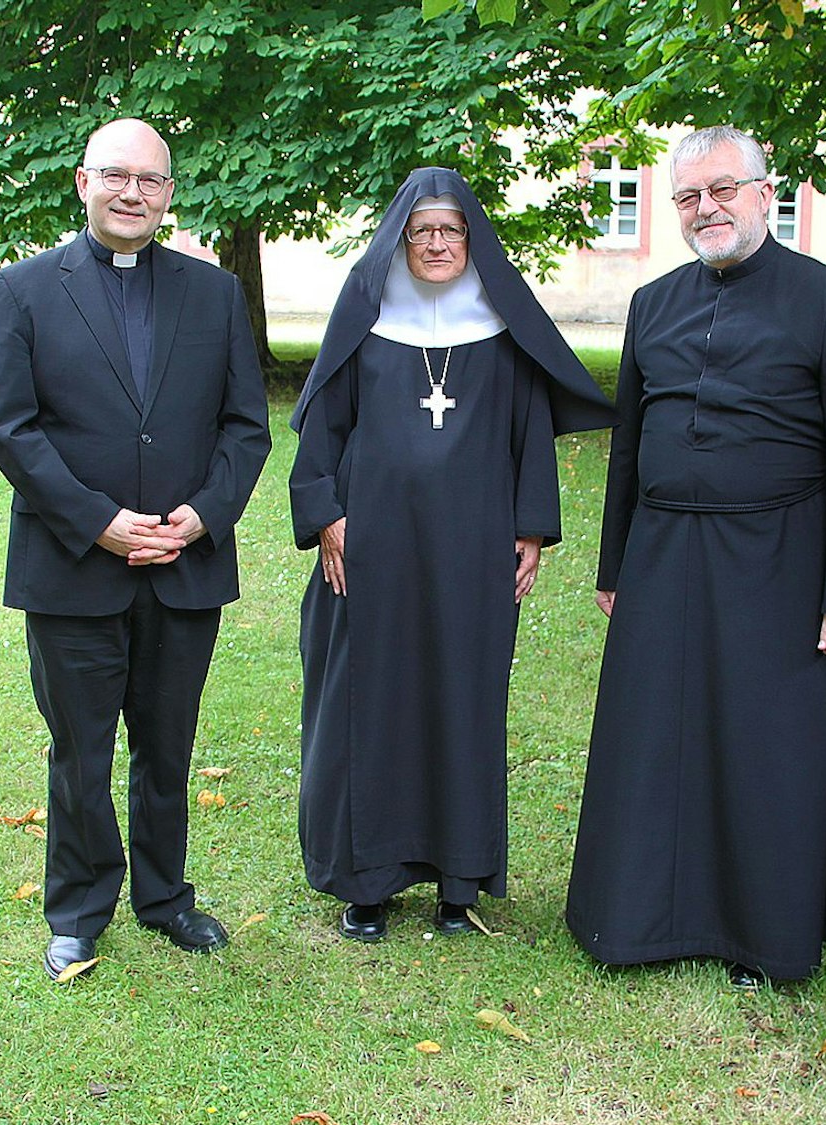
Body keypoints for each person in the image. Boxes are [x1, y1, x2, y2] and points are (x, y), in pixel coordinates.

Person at [565, 127, 826, 990]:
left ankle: (759, 931)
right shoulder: (655, 302)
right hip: (666, 551)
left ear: (765, 191)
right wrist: (614, 565)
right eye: (687, 196)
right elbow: (631, 445)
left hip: (780, 555)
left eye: (721, 189)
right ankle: (638, 917)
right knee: (657, 738)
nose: (704, 208)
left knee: (763, 746)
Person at [289, 168, 615, 942]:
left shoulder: (500, 327)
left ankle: (456, 883)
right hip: (369, 547)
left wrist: (531, 529)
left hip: (473, 548)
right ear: (402, 239)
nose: (437, 244)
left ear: (472, 241)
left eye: (452, 230)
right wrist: (327, 515)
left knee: (463, 700)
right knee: (368, 701)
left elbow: (530, 431)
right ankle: (367, 883)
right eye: (423, 231)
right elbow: (322, 425)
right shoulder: (364, 316)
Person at [0, 119, 270, 984]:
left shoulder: (214, 295)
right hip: (72, 565)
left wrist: (202, 515)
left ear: (169, 194)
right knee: (80, 750)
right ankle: (77, 909)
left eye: (150, 179)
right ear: (82, 182)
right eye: (116, 175)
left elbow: (245, 427)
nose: (132, 192)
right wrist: (98, 519)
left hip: (185, 564)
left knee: (168, 745)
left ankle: (166, 896)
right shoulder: (23, 290)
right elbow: (9, 428)